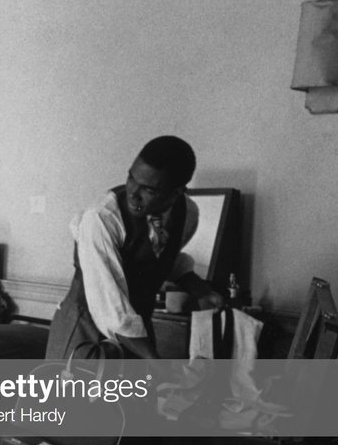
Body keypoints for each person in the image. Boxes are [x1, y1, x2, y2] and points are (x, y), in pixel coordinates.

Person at [47, 135, 226, 361]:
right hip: (87, 330)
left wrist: (200, 289)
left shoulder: (188, 214)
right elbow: (110, 306)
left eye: (148, 189)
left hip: (136, 328)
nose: (133, 192)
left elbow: (163, 259)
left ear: (176, 192)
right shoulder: (102, 219)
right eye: (131, 178)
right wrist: (154, 362)